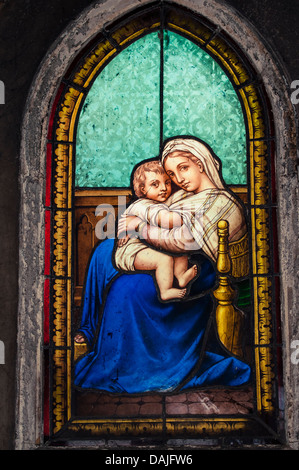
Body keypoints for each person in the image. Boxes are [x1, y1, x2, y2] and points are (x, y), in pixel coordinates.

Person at [74, 136, 251, 393]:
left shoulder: (222, 202)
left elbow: (186, 240)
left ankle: (128, 365)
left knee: (126, 288)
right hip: (167, 256)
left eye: (182, 168)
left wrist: (139, 227)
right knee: (103, 253)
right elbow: (156, 214)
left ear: (200, 163)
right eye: (171, 174)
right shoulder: (182, 196)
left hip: (197, 267)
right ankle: (90, 330)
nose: (177, 179)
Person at [114, 159, 198, 301]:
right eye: (155, 184)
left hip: (151, 246)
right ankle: (165, 291)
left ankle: (181, 275)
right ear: (142, 189)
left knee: (178, 249)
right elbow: (166, 220)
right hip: (132, 251)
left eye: (167, 182)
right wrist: (182, 218)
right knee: (164, 259)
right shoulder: (143, 205)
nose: (163, 188)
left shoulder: (160, 203)